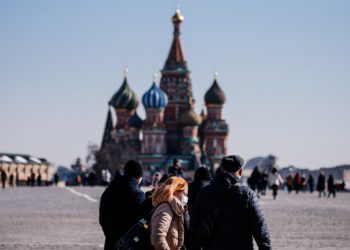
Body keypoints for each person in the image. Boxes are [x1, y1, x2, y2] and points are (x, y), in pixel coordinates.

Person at [191, 155, 271, 250]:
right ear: (241, 171)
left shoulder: (204, 192)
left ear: (221, 169)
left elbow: (194, 225)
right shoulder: (247, 194)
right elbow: (260, 229)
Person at [99, 160, 150, 250]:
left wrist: (110, 234)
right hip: (130, 244)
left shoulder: (108, 191)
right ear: (139, 176)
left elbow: (102, 219)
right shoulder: (137, 194)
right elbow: (145, 220)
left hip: (110, 243)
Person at [150, 176, 188, 250]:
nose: (186, 197)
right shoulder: (166, 208)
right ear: (177, 192)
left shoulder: (172, 206)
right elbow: (157, 238)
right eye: (185, 194)